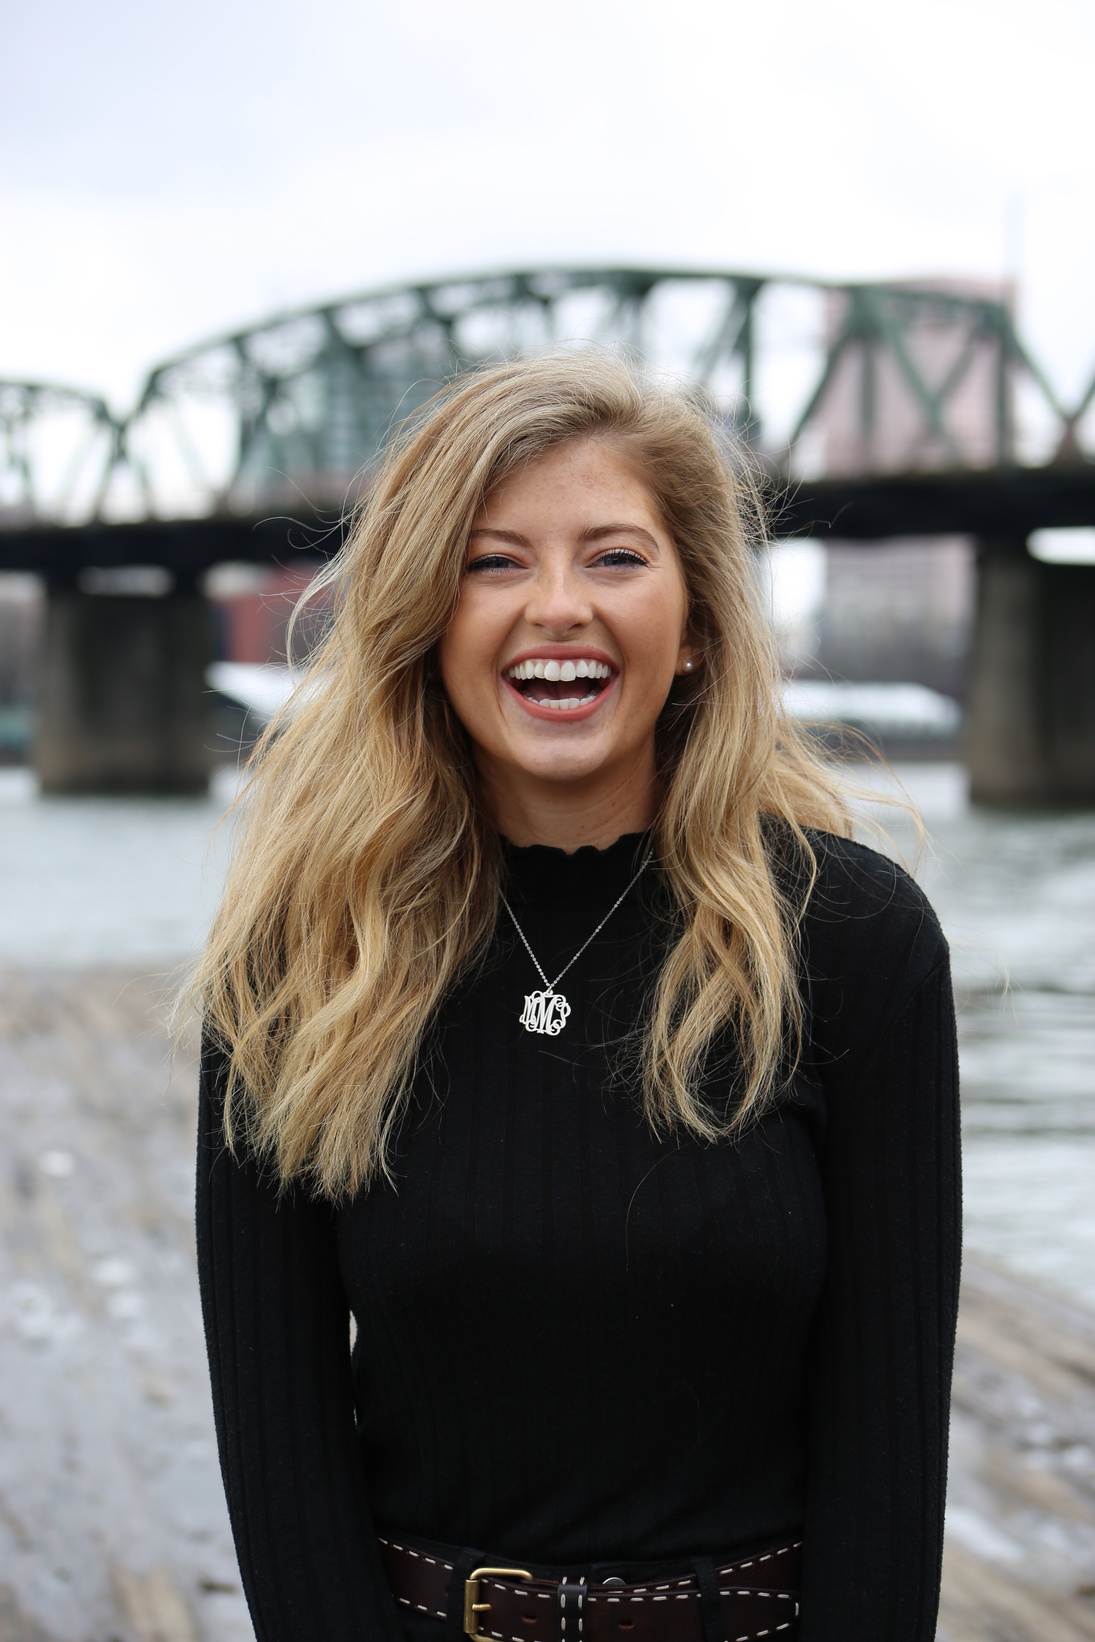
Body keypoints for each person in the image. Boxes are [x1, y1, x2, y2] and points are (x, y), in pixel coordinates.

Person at [194, 352, 960, 1642]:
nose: (558, 607)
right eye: (494, 562)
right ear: (420, 620)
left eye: (614, 558)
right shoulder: (299, 959)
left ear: (703, 621)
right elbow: (278, 1445)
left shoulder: (855, 940)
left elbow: (889, 1449)